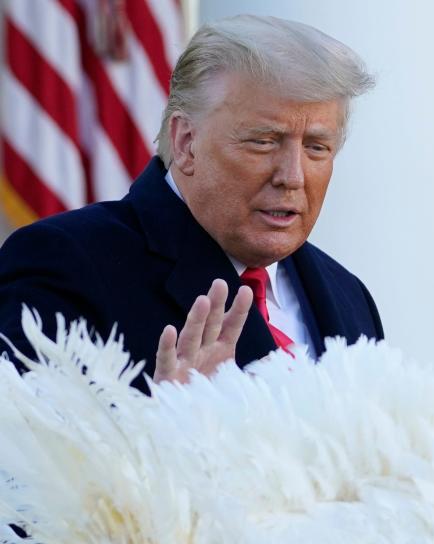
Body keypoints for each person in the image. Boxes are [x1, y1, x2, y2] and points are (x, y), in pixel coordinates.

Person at [0, 14, 383, 390]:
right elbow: (26, 446)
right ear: (185, 142)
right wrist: (164, 424)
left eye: (316, 148)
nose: (292, 176)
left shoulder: (349, 296)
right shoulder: (65, 264)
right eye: (263, 141)